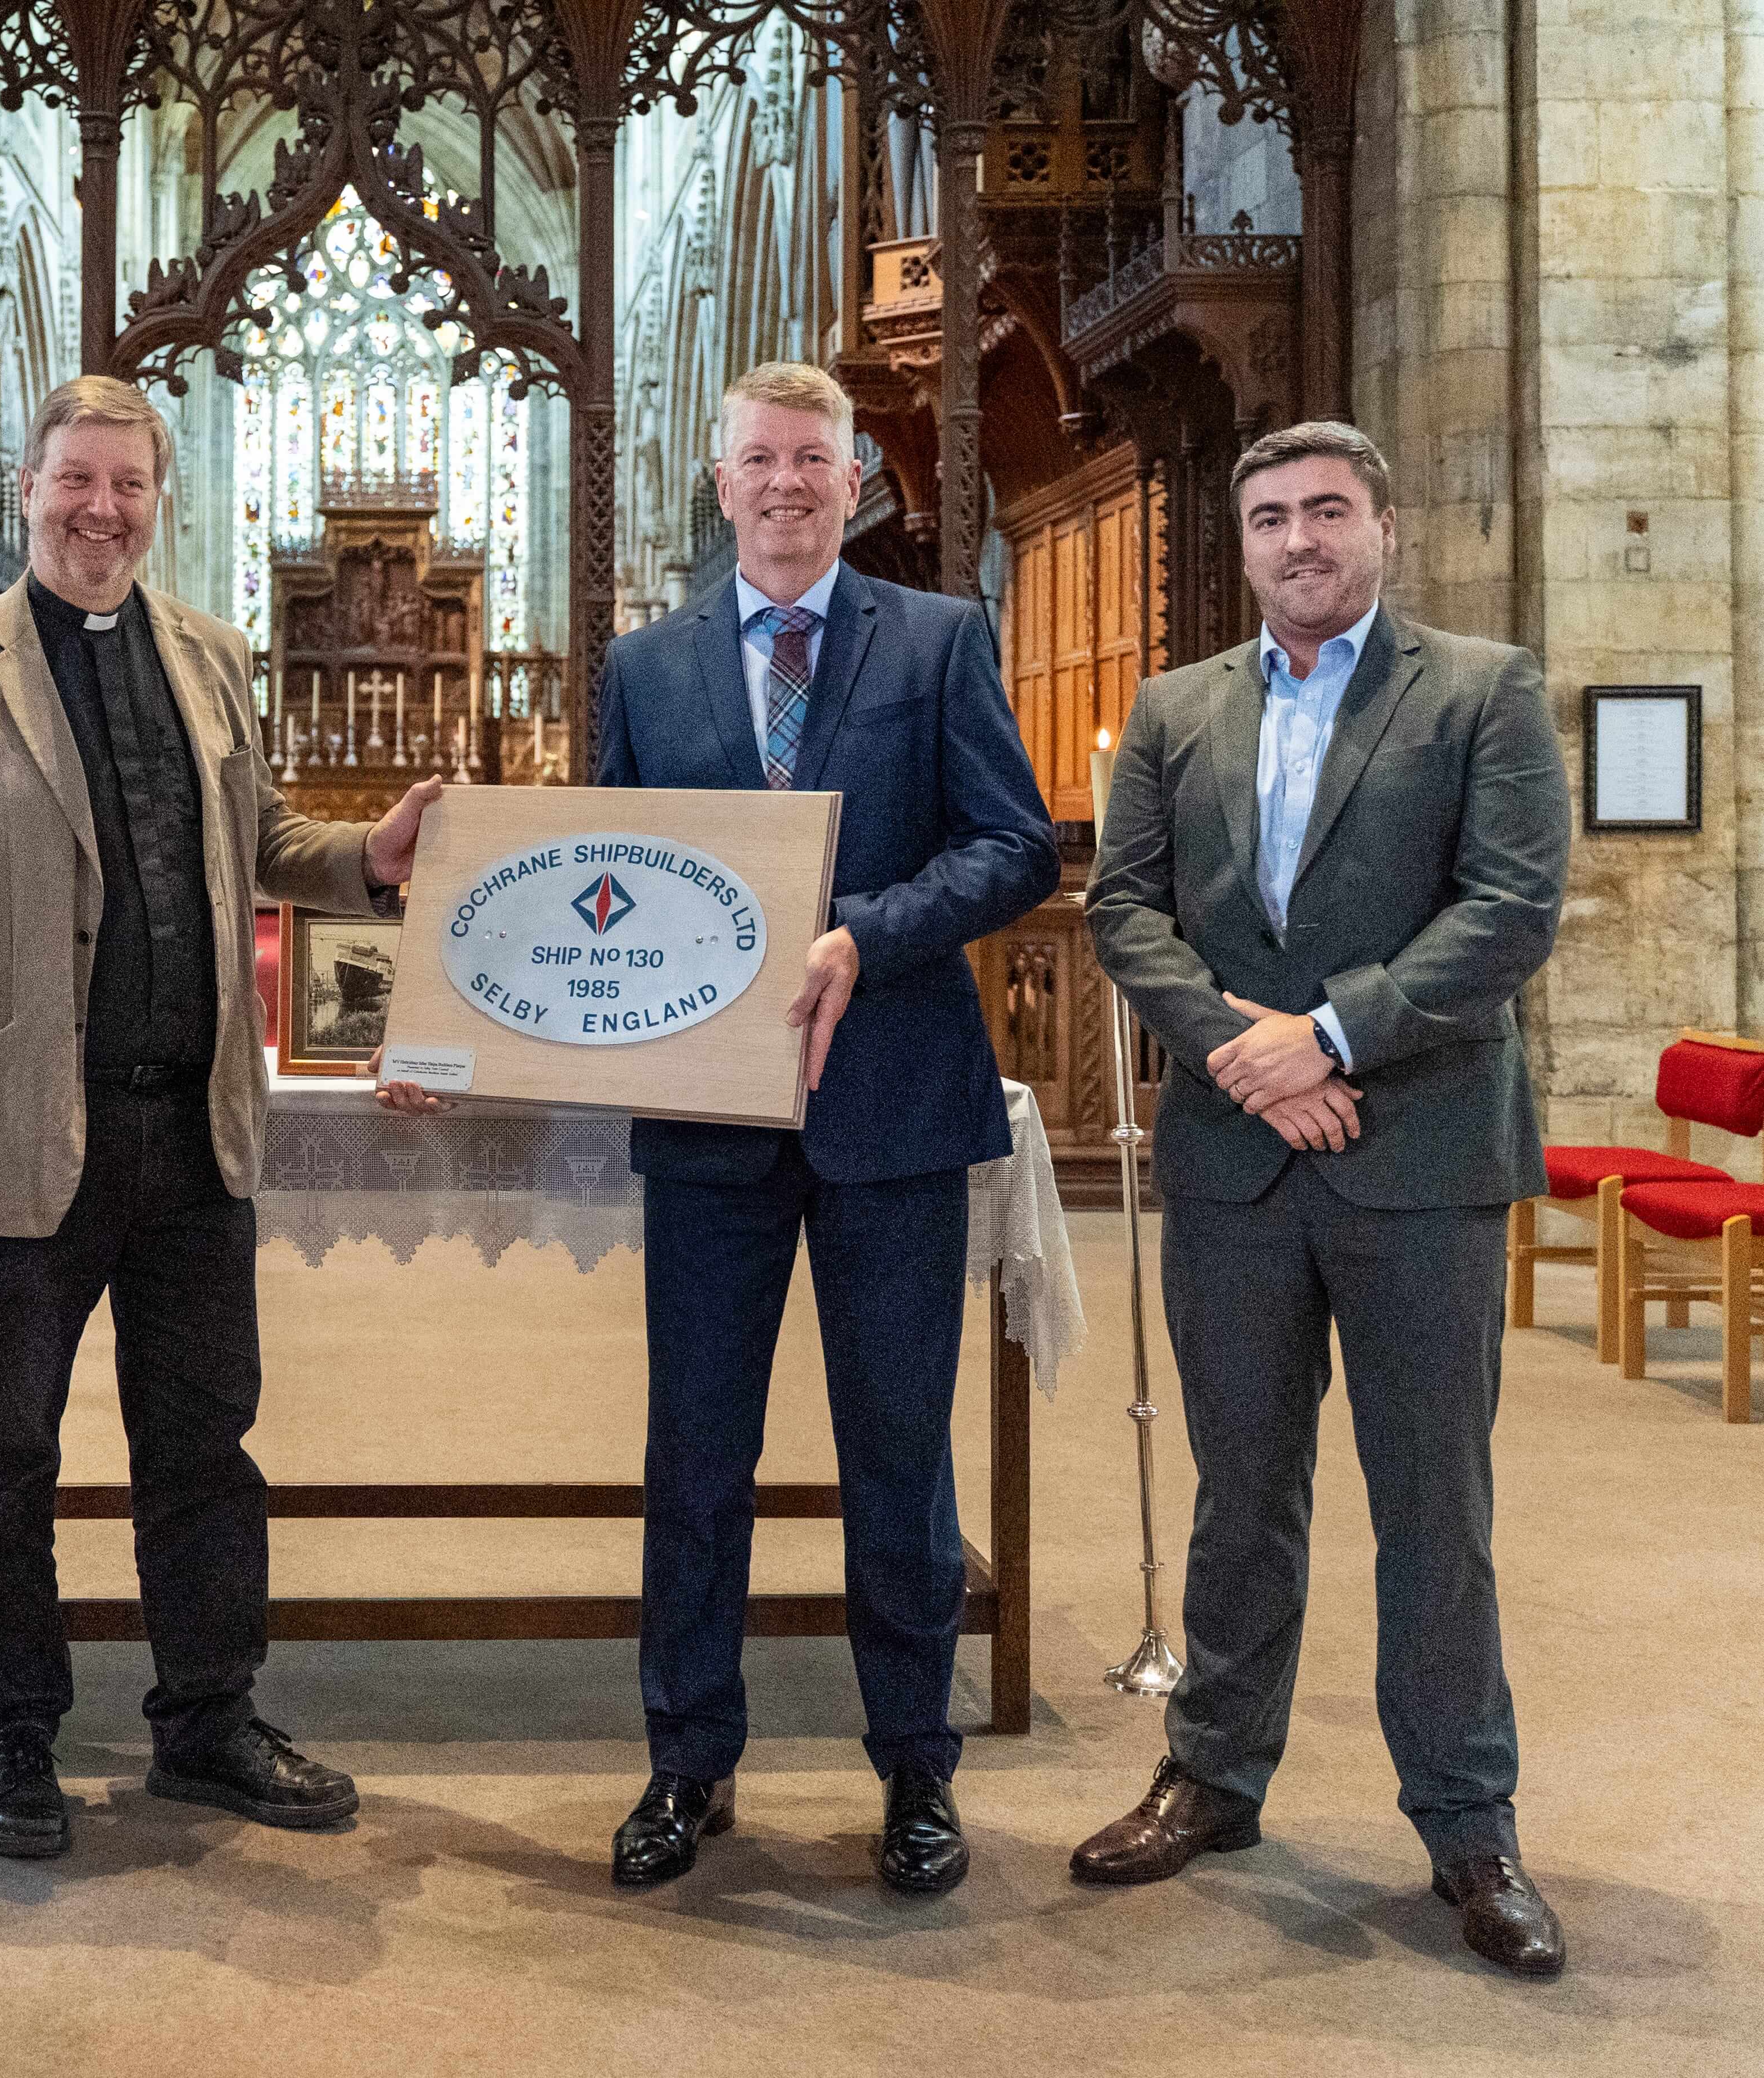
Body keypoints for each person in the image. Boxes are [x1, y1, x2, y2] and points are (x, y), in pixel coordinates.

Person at [416, 359, 1054, 1896]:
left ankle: (915, 1768)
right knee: (695, 1453)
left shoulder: (938, 638)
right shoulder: (649, 669)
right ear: (721, 485)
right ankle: (686, 1760)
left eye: (810, 460)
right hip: (708, 1122)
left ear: (854, 481)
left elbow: (1015, 846)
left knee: (896, 1454)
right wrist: (464, 1031)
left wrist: (865, 934)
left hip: (891, 1110)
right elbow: (603, 891)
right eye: (759, 460)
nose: (784, 484)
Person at [0, 374, 440, 1859]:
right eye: (76, 481)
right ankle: (12, 1733)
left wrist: (369, 857)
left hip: (192, 1130)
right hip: (20, 1137)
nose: (101, 510)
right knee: (4, 1451)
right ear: (29, 488)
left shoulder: (211, 655)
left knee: (203, 1443)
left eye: (127, 485)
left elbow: (261, 840)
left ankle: (207, 1721)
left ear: (155, 501)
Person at [1076, 420, 1572, 1977]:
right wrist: (1249, 1056)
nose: (1301, 539)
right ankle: (1214, 1777)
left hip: (1417, 1154)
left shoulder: (1479, 690)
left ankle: (1468, 1822)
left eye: (1329, 511)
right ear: (1243, 548)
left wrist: (1332, 1035)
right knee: (1241, 1495)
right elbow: (1124, 909)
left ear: (1383, 528)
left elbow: (1511, 905)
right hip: (1237, 1164)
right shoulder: (1179, 708)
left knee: (1434, 1506)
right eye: (1272, 518)